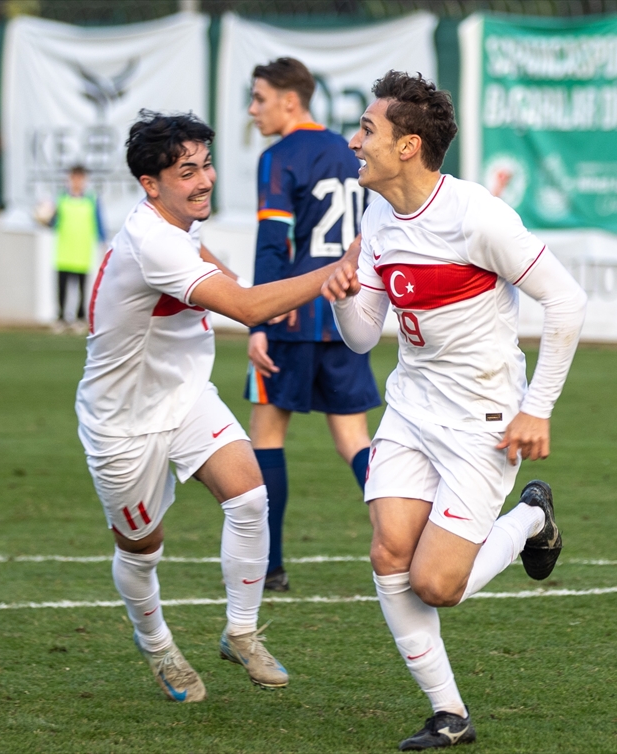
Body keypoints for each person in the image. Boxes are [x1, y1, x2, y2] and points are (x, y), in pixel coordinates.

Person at [322, 72, 588, 750]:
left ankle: (532, 517)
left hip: (483, 419)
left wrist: (538, 408)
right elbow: (361, 335)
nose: (355, 141)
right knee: (388, 551)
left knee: (437, 584)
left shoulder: (477, 217)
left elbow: (567, 302)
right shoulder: (377, 213)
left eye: (368, 131)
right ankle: (450, 715)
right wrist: (342, 293)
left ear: (409, 146)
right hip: (411, 408)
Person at [77, 110, 341, 704]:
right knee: (141, 550)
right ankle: (157, 644)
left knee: (249, 497)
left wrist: (253, 306)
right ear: (151, 184)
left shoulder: (178, 226)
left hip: (186, 396)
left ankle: (241, 632)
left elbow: (226, 281)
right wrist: (335, 270)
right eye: (187, 171)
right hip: (123, 423)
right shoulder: (152, 241)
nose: (205, 180)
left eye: (206, 165)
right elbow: (245, 305)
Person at [244, 57, 381, 592]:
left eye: (259, 98)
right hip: (348, 307)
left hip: (292, 312)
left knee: (267, 435)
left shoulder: (279, 157)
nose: (253, 110)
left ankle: (270, 566)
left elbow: (272, 243)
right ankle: (403, 534)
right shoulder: (350, 150)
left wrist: (257, 319)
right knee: (353, 437)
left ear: (290, 100)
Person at [44, 165, 106, 331]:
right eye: (74, 178)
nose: (77, 182)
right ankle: (61, 317)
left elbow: (99, 224)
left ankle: (79, 317)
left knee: (81, 287)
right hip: (64, 251)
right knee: (62, 286)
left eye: (80, 178)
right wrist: (44, 218)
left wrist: (103, 243)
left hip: (82, 251)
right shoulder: (61, 199)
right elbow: (53, 223)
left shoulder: (92, 200)